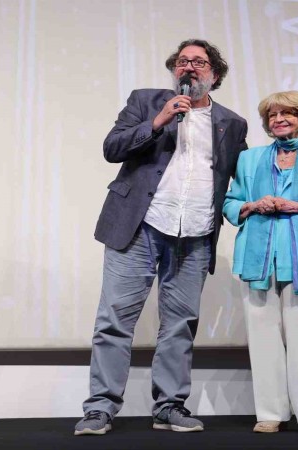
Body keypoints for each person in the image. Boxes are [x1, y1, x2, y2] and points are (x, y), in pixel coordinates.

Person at [74, 39, 248, 436]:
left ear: (214, 75)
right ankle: (100, 408)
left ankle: (169, 406)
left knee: (179, 325)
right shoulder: (146, 101)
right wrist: (158, 121)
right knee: (114, 320)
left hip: (195, 232)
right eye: (182, 61)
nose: (189, 67)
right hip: (139, 227)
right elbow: (112, 148)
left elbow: (242, 174)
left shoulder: (232, 123)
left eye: (199, 62)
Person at [222, 91, 298, 434]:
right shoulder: (248, 160)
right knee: (262, 336)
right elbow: (230, 203)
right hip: (258, 256)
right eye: (272, 115)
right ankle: (270, 412)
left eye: (287, 113)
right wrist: (252, 205)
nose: (278, 119)